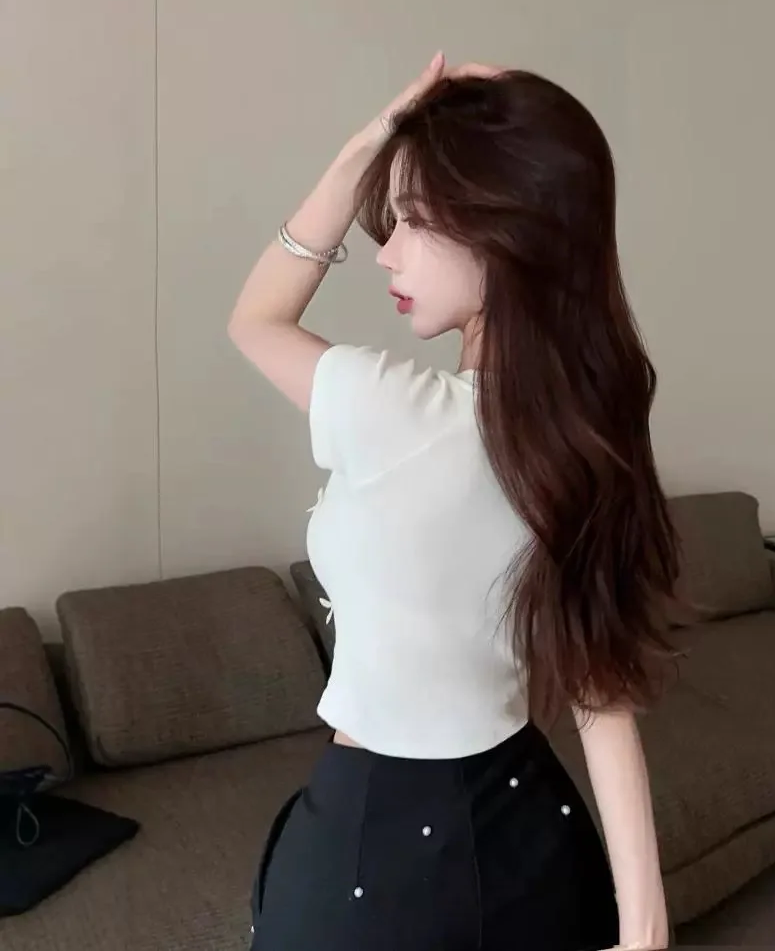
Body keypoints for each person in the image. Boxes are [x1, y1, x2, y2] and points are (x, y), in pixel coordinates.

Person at [228, 52, 685, 951]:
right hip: (531, 830)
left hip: (374, 849)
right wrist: (644, 922)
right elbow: (598, 681)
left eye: (414, 219)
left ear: (507, 231)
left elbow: (256, 319)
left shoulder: (393, 411)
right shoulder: (578, 434)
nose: (386, 252)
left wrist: (369, 140)